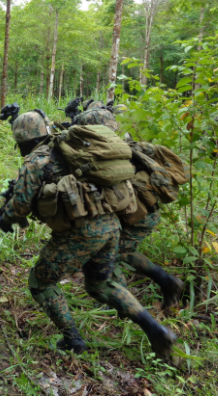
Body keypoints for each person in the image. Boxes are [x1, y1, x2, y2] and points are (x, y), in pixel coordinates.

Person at [0, 108, 177, 358]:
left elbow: (19, 207)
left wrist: (5, 217)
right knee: (100, 284)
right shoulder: (71, 148)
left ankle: (73, 341)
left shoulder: (36, 162)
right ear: (46, 129)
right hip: (112, 226)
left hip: (83, 233)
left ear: (21, 141)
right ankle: (156, 330)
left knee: (40, 283)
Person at [74, 108, 185, 311]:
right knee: (121, 251)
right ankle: (163, 284)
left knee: (109, 252)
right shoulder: (126, 144)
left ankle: (123, 303)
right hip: (144, 211)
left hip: (139, 214)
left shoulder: (109, 153)